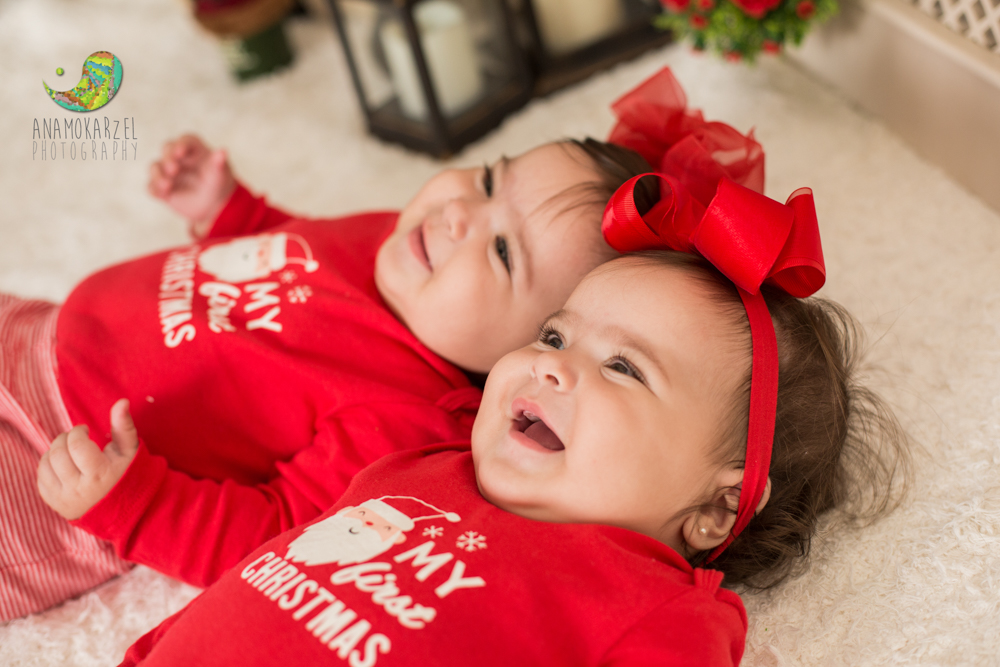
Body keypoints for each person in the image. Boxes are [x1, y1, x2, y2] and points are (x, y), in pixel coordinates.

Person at [1, 67, 765, 619]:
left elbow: (273, 532)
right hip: (45, 324)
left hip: (64, 452)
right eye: (489, 180)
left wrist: (135, 504)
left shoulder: (402, 418)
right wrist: (231, 212)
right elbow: (302, 252)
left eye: (503, 253)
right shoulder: (404, 250)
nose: (461, 215)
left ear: (531, 343)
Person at [63, 174, 909, 665]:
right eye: (554, 334)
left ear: (718, 509)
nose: (551, 364)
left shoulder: (657, 607)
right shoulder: (418, 457)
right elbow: (264, 560)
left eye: (623, 367)